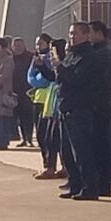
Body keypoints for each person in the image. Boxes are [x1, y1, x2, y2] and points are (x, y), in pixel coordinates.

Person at [54, 23, 101, 200]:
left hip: (80, 107)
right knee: (66, 150)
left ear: (86, 35)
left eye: (75, 33)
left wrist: (60, 68)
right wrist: (48, 68)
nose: (72, 37)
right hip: (66, 106)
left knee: (81, 150)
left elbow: (79, 79)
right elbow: (61, 78)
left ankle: (90, 187)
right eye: (70, 33)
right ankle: (75, 184)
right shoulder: (71, 54)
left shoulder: (89, 56)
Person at [29, 37, 66, 179]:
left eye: (53, 52)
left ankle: (60, 167)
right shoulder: (55, 66)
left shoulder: (66, 65)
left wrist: (51, 67)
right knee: (48, 137)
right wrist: (41, 66)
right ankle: (51, 166)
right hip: (52, 106)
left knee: (57, 139)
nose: (51, 55)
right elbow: (50, 76)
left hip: (62, 106)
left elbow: (56, 78)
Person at [88, 21, 111, 195]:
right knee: (97, 144)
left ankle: (103, 182)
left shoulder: (103, 53)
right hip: (99, 103)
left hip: (100, 104)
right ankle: (100, 181)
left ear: (99, 33)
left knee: (101, 143)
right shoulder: (97, 51)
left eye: (90, 32)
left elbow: (102, 80)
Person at [11, 38, 35, 147]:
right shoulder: (10, 59)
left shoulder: (30, 57)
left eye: (20, 45)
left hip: (27, 91)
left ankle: (29, 138)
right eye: (16, 46)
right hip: (15, 91)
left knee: (28, 116)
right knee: (19, 116)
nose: (18, 48)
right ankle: (24, 138)